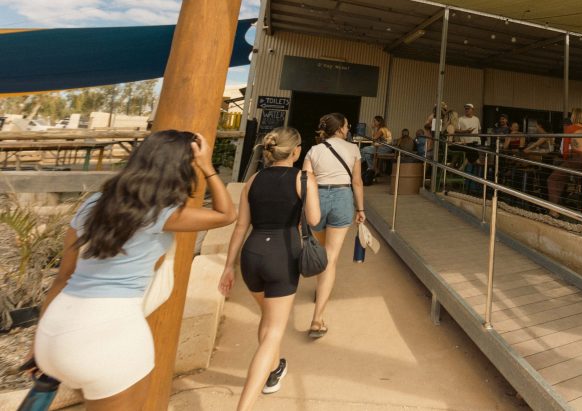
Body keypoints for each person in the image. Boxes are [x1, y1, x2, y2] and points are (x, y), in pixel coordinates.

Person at [31, 131, 237, 409]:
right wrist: (207, 166)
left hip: (54, 330)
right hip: (110, 328)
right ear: (180, 168)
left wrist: (38, 342)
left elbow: (62, 277)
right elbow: (226, 215)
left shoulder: (93, 204)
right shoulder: (159, 213)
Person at [218, 127, 321, 408]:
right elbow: (314, 219)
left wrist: (228, 266)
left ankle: (274, 371)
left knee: (268, 319)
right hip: (282, 255)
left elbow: (241, 226)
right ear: (296, 151)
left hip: (252, 255)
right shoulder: (303, 178)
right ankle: (244, 405)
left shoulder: (253, 180)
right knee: (274, 332)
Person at [302, 113, 366, 339]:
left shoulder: (313, 150)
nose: (348, 129)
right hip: (342, 197)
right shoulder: (353, 149)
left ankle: (320, 291)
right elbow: (357, 182)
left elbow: (305, 180)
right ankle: (317, 319)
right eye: (347, 126)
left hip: (317, 198)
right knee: (330, 258)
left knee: (321, 253)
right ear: (339, 129)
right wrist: (360, 209)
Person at [546, 107, 582, 213]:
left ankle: (554, 211)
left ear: (573, 116)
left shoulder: (570, 128)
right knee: (574, 176)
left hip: (577, 160)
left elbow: (565, 152)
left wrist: (568, 158)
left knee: (553, 179)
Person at [456, 103, 483, 185]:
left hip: (476, 143)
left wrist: (478, 138)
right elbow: (456, 130)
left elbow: (479, 130)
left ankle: (474, 183)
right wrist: (466, 131)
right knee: (473, 161)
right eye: (466, 108)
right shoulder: (460, 119)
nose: (466, 110)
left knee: (475, 161)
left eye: (468, 108)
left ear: (472, 110)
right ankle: (469, 182)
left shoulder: (476, 119)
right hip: (466, 143)